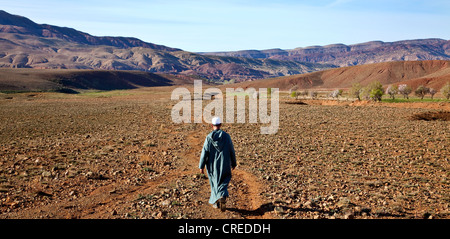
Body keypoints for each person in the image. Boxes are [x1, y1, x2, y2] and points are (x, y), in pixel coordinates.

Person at [199, 116, 237, 212]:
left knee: (214, 183)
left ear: (212, 125)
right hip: (225, 163)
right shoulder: (227, 136)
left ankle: (216, 202)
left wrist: (201, 166)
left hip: (212, 165)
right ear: (220, 125)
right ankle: (222, 194)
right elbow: (231, 150)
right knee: (224, 180)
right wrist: (234, 162)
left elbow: (205, 152)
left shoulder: (209, 137)